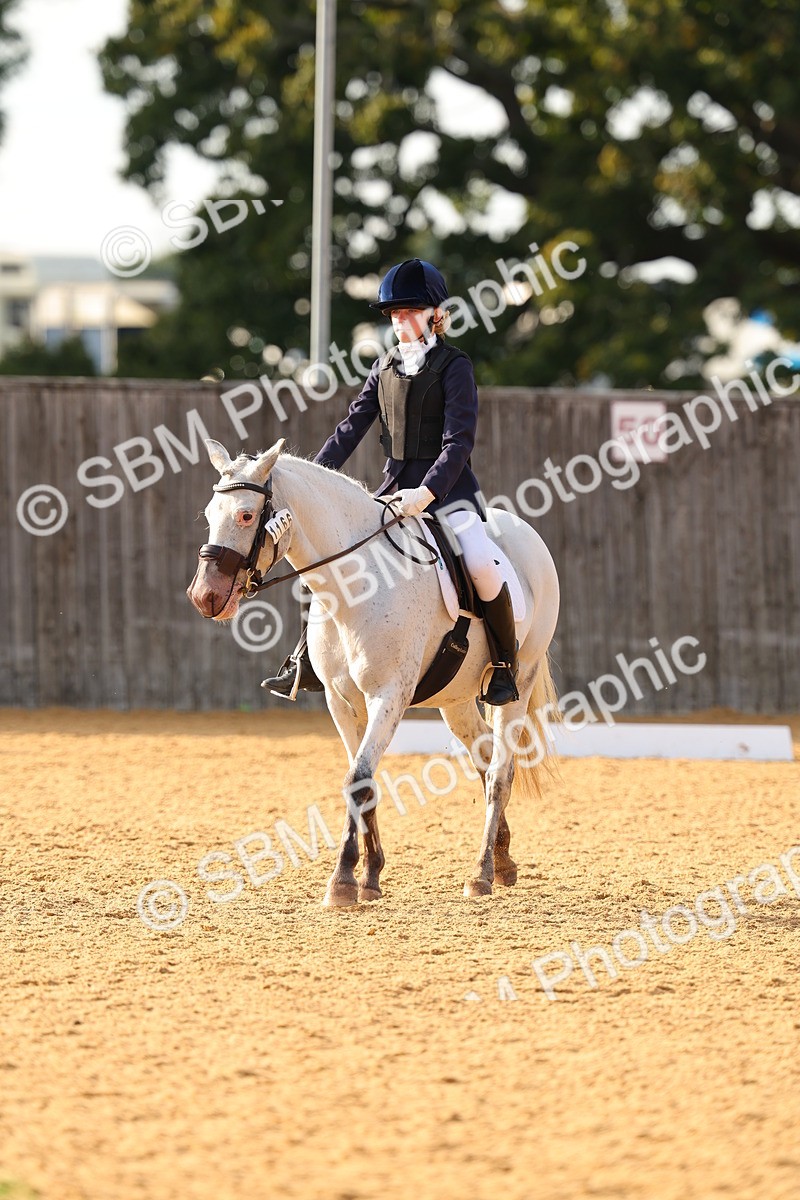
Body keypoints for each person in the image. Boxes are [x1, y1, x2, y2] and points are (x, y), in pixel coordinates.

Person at [262, 258, 519, 706]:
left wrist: (428, 491)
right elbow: (351, 427)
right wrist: (313, 480)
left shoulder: (455, 366)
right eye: (394, 314)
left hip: (448, 494)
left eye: (408, 311)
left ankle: (503, 665)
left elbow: (458, 441)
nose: (399, 321)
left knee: (479, 563)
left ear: (434, 314)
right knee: (330, 562)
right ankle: (306, 658)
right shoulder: (383, 367)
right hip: (392, 492)